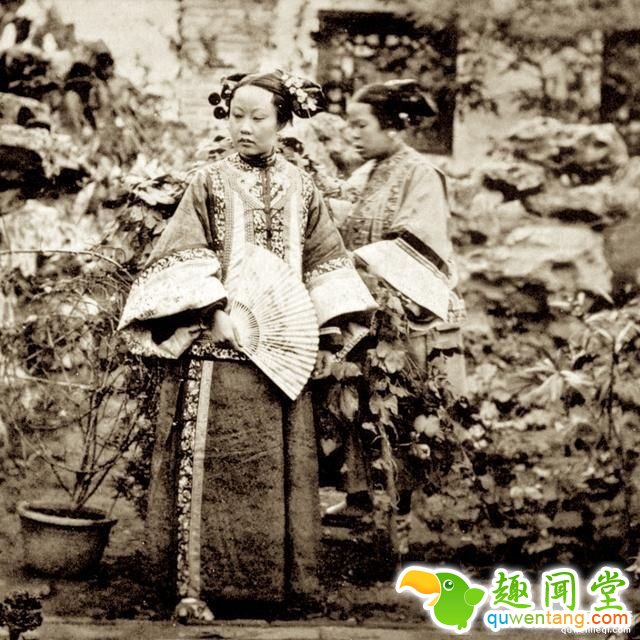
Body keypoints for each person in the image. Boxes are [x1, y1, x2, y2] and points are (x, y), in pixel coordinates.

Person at [117, 70, 376, 621]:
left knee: (274, 473)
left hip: (283, 362)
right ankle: (196, 588)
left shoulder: (302, 188)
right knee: (213, 467)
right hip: (216, 352)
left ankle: (276, 589)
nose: (245, 127)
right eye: (237, 115)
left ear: (283, 123)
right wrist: (213, 311)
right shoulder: (209, 183)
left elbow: (324, 262)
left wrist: (325, 337)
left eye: (259, 117)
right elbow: (181, 253)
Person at [322, 79, 467, 555]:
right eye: (349, 125)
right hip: (368, 308)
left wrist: (361, 263)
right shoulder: (368, 172)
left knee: (401, 408)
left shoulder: (421, 174)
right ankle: (362, 500)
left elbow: (417, 241)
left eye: (361, 125)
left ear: (392, 125)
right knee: (358, 402)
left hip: (408, 311)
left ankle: (404, 518)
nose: (352, 134)